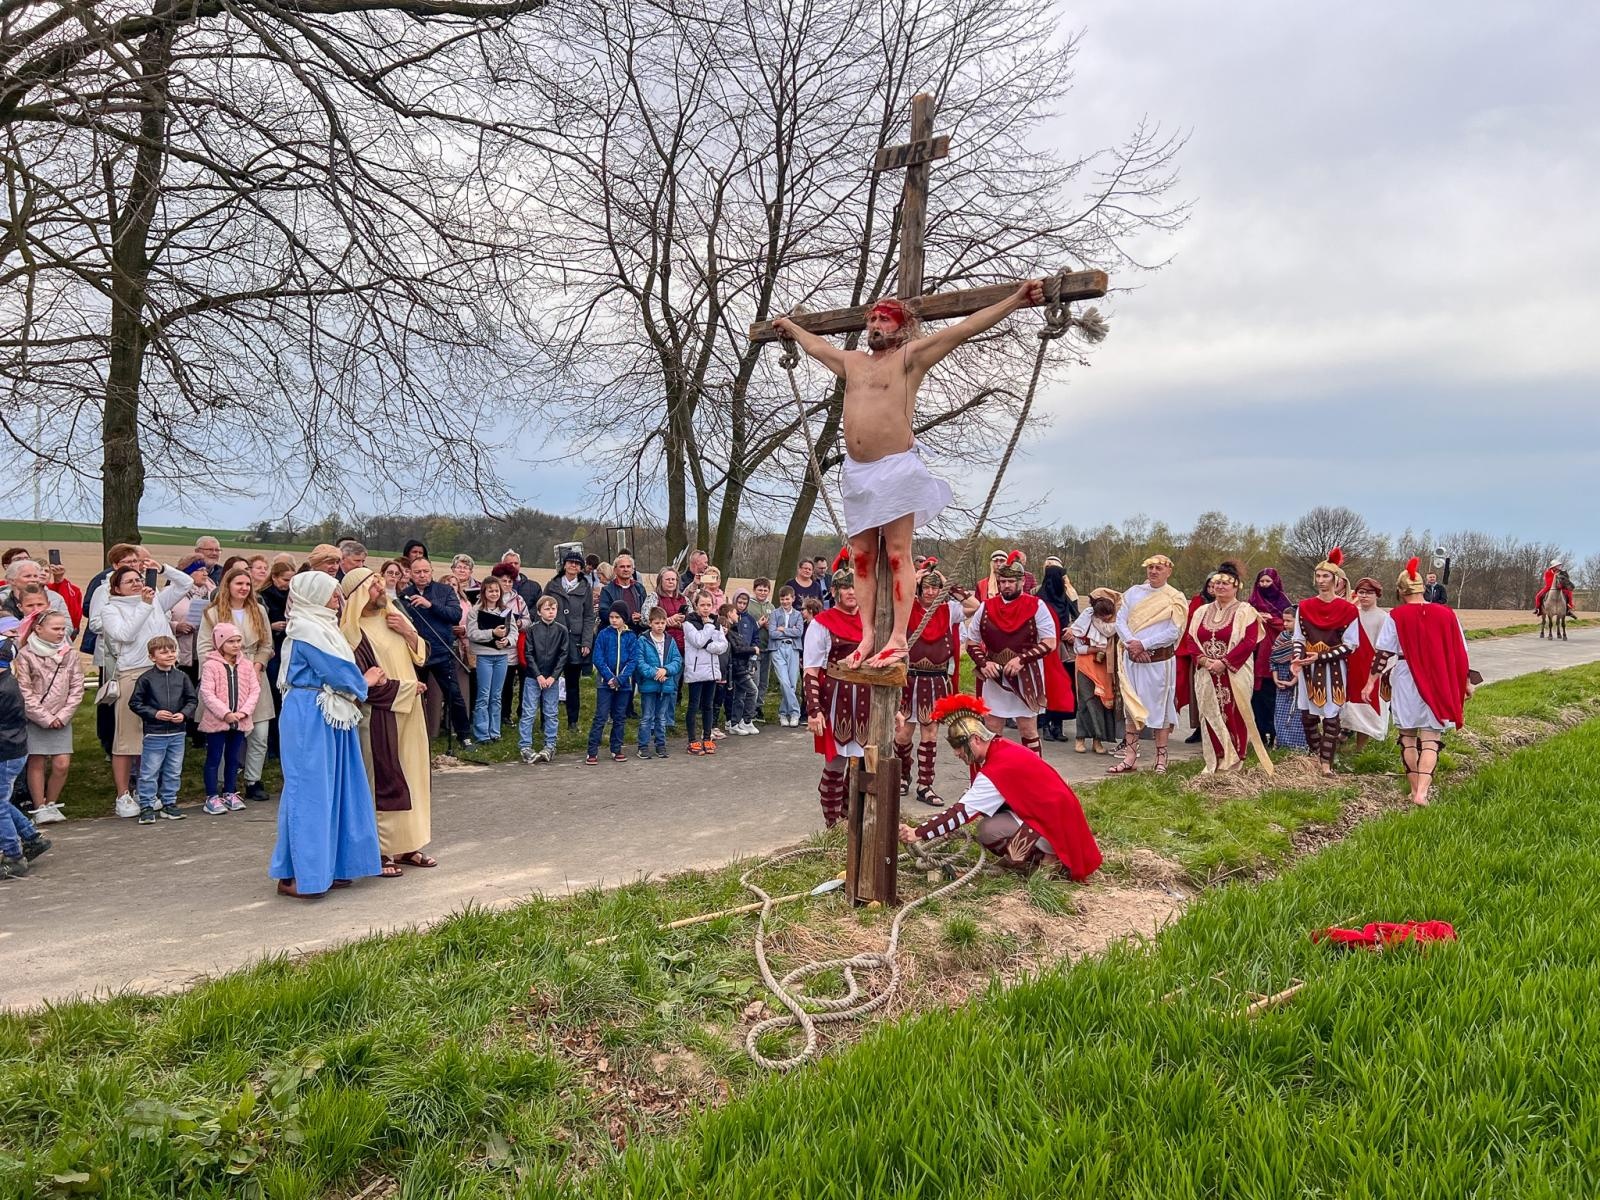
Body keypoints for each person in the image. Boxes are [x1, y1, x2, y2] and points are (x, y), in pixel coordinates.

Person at [772, 286, 1047, 666]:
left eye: (884, 318)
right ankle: (868, 636)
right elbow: (817, 347)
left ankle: (899, 636)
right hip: (857, 473)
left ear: (901, 326)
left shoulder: (909, 357)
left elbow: (963, 330)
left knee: (898, 553)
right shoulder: (853, 361)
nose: (875, 324)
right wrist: (790, 326)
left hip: (895, 468)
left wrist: (1016, 299)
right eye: (872, 319)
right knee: (863, 558)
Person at [898, 694, 1101, 880]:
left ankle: (1048, 859)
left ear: (975, 740)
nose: (956, 754)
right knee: (989, 817)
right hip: (1057, 820)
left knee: (988, 830)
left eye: (958, 747)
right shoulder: (1002, 749)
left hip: (1058, 829)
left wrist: (918, 832)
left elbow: (961, 813)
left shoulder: (997, 767)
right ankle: (1029, 858)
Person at [270, 571, 385, 898]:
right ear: (316, 597)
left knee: (338, 787)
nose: (339, 602)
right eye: (334, 596)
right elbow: (337, 671)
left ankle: (332, 865)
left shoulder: (323, 628)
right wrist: (366, 679)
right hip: (310, 714)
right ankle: (297, 874)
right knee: (311, 791)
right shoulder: (307, 630)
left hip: (330, 712)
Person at [338, 567, 435, 874]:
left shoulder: (392, 617)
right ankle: (382, 851)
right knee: (383, 780)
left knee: (413, 776)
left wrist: (407, 631)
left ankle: (409, 844)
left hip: (411, 711)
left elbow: (421, 656)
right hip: (381, 716)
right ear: (358, 596)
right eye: (375, 587)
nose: (382, 591)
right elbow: (363, 685)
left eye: (381, 585)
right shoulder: (352, 633)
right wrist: (407, 689)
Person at [1367, 558, 1474, 807]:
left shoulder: (1397, 615)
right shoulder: (1447, 613)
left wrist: (1370, 682)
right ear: (1421, 589)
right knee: (1430, 738)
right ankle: (1422, 793)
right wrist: (1466, 681)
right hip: (1438, 677)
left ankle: (1413, 787)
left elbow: (1383, 653)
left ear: (1401, 591)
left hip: (1406, 676)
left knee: (1407, 737)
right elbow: (1461, 652)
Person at [99, 561, 196, 813]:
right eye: (129, 581)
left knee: (154, 737)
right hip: (133, 673)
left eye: (139, 578)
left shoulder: (156, 601)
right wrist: (143, 604)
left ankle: (148, 791)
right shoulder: (112, 609)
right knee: (127, 738)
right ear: (117, 588)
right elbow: (125, 635)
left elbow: (186, 583)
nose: (137, 583)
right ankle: (123, 795)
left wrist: (162, 568)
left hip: (164, 673)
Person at [963, 551, 1070, 757]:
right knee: (992, 728)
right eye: (1002, 581)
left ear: (1021, 581)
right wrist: (984, 663)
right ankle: (993, 778)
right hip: (994, 676)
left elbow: (1050, 642)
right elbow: (971, 641)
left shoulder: (1036, 605)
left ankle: (1034, 778)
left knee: (1028, 729)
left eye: (1011, 581)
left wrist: (1022, 659)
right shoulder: (986, 606)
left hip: (1026, 675)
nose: (1006, 586)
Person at [1179, 568, 1273, 774]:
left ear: (1236, 586)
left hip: (1234, 672)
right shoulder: (1201, 612)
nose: (1220, 587)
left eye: (1225, 583)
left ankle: (1235, 759)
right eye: (1216, 583)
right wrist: (1203, 660)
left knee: (1235, 711)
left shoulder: (1245, 611)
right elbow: (1191, 638)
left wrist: (1225, 662)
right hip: (1206, 672)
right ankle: (1216, 757)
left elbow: (1249, 642)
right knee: (1210, 712)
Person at [803, 550, 872, 826]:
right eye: (845, 587)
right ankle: (832, 823)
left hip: (868, 699)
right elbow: (811, 669)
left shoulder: (871, 620)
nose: (851, 592)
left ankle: (852, 819)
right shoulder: (822, 623)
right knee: (836, 763)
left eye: (855, 587)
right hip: (836, 699)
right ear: (835, 591)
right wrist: (814, 711)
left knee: (864, 764)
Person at [1291, 548, 1372, 776]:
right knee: (1307, 716)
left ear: (1336, 580)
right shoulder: (1305, 606)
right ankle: (1317, 754)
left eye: (1326, 576)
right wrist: (1298, 659)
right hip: (1309, 667)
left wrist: (1321, 656)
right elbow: (1298, 637)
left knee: (1331, 715)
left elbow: (1350, 644)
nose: (1321, 580)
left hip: (1334, 669)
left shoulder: (1347, 609)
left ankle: (1326, 763)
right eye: (1318, 576)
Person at [199, 567, 277, 801]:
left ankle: (253, 779)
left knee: (259, 733)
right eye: (238, 584)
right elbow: (203, 647)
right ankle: (223, 782)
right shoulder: (213, 613)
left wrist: (258, 665)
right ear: (228, 586)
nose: (244, 588)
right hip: (224, 675)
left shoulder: (259, 611)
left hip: (253, 672)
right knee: (224, 730)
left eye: (247, 584)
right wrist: (217, 669)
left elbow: (266, 645)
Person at [1110, 554, 1188, 775]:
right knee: (1131, 708)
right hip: (1132, 659)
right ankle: (1130, 756)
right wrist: (1132, 645)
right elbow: (1120, 621)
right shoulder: (1133, 592)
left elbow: (1173, 631)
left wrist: (1144, 644)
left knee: (1160, 709)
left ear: (1168, 571)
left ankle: (1161, 759)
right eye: (1151, 568)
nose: (1153, 571)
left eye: (1159, 568)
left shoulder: (1175, 597)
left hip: (1159, 662)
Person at [895, 566, 965, 807]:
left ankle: (925, 785)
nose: (931, 592)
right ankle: (902, 776)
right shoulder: (907, 607)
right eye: (926, 587)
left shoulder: (949, 610)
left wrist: (950, 585)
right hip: (909, 678)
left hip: (935, 680)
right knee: (903, 733)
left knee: (930, 733)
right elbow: (896, 597)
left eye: (935, 587)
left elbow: (975, 606)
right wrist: (911, 580)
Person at [12, 610, 83, 824]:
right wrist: (44, 717)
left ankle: (52, 803)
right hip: (36, 718)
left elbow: (77, 687)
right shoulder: (25, 655)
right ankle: (39, 806)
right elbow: (24, 691)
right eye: (56, 628)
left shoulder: (69, 654)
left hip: (62, 717)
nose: (62, 633)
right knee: (37, 762)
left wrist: (63, 715)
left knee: (62, 763)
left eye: (63, 628)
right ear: (38, 629)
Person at [397, 558, 473, 745]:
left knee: (453, 695)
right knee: (413, 694)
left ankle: (464, 735)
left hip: (441, 651)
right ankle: (413, 736)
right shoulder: (403, 595)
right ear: (411, 574)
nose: (422, 575)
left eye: (425, 571)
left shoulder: (444, 591)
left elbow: (455, 615)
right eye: (417, 572)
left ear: (431, 571)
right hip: (414, 653)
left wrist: (430, 605)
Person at [128, 636, 198, 823]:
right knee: (150, 771)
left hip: (178, 732)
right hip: (155, 733)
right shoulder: (146, 679)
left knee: (173, 770)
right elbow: (135, 703)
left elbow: (192, 700)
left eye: (172, 650)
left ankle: (169, 803)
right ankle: (147, 806)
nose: (169, 655)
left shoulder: (182, 677)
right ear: (152, 657)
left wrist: (184, 714)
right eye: (163, 651)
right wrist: (154, 713)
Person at [0, 634, 52, 879]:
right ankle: (31, 838)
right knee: (1, 801)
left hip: (6, 754)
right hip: (11, 751)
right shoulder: (7, 682)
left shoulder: (5, 689)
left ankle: (13, 855)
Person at [196, 622, 259, 813]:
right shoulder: (211, 666)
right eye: (231, 641)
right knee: (214, 757)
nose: (236, 645)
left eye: (238, 640)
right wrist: (225, 713)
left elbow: (254, 690)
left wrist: (243, 713)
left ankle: (230, 792)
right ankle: (212, 796)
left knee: (233, 758)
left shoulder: (247, 665)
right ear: (220, 643)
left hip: (239, 721)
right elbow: (207, 693)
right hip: (217, 722)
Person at [1067, 589, 1123, 755]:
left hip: (1105, 666)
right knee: (1086, 700)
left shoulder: (1114, 626)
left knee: (1102, 702)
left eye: (1108, 615)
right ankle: (1080, 738)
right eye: (1102, 616)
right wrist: (1094, 649)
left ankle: (1098, 740)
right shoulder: (1084, 624)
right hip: (1085, 665)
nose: (1105, 619)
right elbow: (1077, 648)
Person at [547, 551, 596, 729]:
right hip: (554, 640)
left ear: (581, 568)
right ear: (564, 564)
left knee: (573, 684)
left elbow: (589, 616)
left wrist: (586, 642)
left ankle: (572, 720)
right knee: (549, 681)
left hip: (575, 641)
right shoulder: (552, 585)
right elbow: (543, 609)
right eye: (570, 562)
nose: (573, 566)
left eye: (577, 563)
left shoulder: (584, 588)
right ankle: (547, 720)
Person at [466, 574, 518, 742]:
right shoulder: (476, 611)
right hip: (484, 656)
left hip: (502, 656)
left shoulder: (505, 611)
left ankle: (495, 731)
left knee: (496, 695)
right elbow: (472, 633)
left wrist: (507, 641)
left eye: (497, 591)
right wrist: (492, 633)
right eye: (491, 591)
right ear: (484, 592)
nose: (494, 594)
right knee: (484, 694)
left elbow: (514, 632)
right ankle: (482, 733)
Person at [519, 595, 569, 764]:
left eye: (553, 609)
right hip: (533, 678)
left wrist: (553, 677)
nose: (551, 612)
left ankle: (550, 745)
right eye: (547, 609)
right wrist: (538, 675)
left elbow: (563, 655)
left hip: (552, 680)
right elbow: (529, 653)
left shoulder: (561, 630)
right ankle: (525, 746)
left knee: (551, 712)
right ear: (539, 612)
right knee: (529, 712)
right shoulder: (532, 630)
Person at [1343, 578, 1391, 750]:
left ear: (1376, 595)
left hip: (1371, 667)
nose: (1364, 596)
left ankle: (1360, 748)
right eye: (1361, 592)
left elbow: (1385, 646)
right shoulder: (1351, 613)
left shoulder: (1383, 617)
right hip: (1351, 665)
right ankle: (1344, 737)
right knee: (1348, 704)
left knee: (1367, 706)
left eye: (1368, 593)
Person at [1247, 568, 1292, 746]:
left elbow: (1289, 625)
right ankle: (1259, 735)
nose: (1265, 585)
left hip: (1277, 656)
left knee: (1273, 698)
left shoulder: (1283, 602)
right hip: (1255, 654)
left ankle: (1275, 733)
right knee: (1256, 698)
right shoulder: (1251, 602)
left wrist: (1272, 619)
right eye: (1262, 582)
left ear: (1275, 582)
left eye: (1268, 582)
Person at [1035, 563, 1079, 742]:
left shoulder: (1064, 598)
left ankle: (1058, 726)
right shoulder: (1039, 600)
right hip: (1044, 650)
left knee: (1062, 686)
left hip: (1062, 649)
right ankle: (1045, 724)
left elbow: (1077, 617)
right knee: (1046, 686)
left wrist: (1072, 629)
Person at [588, 603, 637, 764]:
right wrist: (610, 678)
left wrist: (619, 680)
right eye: (611, 617)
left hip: (623, 685)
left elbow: (632, 660)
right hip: (605, 683)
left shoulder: (630, 636)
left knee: (619, 717)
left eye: (617, 617)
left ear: (624, 618)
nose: (614, 620)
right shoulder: (603, 634)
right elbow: (598, 658)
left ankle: (616, 748)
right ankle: (592, 751)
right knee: (601, 716)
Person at [683, 591, 728, 756]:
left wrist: (710, 646)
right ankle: (692, 740)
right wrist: (708, 628)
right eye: (702, 605)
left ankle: (707, 737)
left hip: (711, 671)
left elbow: (723, 645)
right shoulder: (689, 622)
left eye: (709, 605)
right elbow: (697, 640)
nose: (706, 608)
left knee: (708, 706)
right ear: (696, 605)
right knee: (694, 706)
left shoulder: (716, 622)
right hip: (696, 672)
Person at [644, 565, 689, 729]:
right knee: (657, 685)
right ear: (660, 581)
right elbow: (645, 617)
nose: (671, 582)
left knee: (673, 686)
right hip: (660, 646)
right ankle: (654, 719)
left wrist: (683, 622)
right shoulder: (654, 597)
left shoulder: (684, 599)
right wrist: (669, 620)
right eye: (667, 579)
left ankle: (668, 720)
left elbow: (691, 620)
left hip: (681, 646)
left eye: (674, 579)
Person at [635, 607, 682, 759]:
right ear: (650, 623)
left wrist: (666, 670)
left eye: (663, 622)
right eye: (657, 623)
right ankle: (643, 746)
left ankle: (660, 745)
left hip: (666, 684)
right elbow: (640, 662)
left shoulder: (670, 640)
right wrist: (656, 672)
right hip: (649, 684)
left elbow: (677, 660)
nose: (660, 626)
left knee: (661, 717)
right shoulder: (643, 640)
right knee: (647, 716)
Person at [1270, 605, 1309, 751]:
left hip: (1298, 683)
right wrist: (1275, 678)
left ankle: (1299, 747)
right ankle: (1282, 744)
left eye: (1289, 621)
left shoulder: (1303, 639)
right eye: (1283, 621)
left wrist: (1293, 680)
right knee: (1280, 714)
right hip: (1281, 682)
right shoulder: (1282, 637)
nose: (1285, 624)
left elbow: (1303, 662)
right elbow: (1273, 659)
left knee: (1297, 714)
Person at [768, 586, 805, 727]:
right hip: (777, 649)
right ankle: (795, 712)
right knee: (784, 682)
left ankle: (783, 713)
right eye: (782, 599)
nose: (785, 602)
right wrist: (791, 631)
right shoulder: (775, 614)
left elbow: (799, 632)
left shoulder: (798, 614)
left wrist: (783, 629)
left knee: (792, 684)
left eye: (787, 599)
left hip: (793, 649)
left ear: (793, 598)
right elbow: (772, 633)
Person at [727, 592, 761, 735]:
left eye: (744, 604)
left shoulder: (743, 623)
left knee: (740, 694)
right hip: (737, 667)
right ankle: (746, 720)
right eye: (735, 611)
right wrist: (753, 649)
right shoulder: (730, 630)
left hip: (744, 664)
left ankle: (736, 722)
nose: (738, 613)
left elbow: (755, 637)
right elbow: (738, 649)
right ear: (729, 614)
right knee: (753, 690)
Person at [747, 578, 775, 719]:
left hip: (767, 647)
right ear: (754, 590)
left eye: (765, 590)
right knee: (755, 679)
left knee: (764, 680)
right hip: (754, 647)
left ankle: (759, 707)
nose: (763, 592)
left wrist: (770, 627)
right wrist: (759, 624)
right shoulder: (749, 605)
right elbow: (746, 626)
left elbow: (775, 626)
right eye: (760, 589)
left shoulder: (772, 607)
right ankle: (750, 708)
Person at [599, 552, 647, 630]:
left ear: (633, 570)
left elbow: (647, 610)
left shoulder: (639, 588)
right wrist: (627, 618)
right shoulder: (607, 590)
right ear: (615, 570)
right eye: (622, 567)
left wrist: (641, 617)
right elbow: (603, 614)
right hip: (616, 633)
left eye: (628, 566)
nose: (626, 569)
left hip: (637, 632)